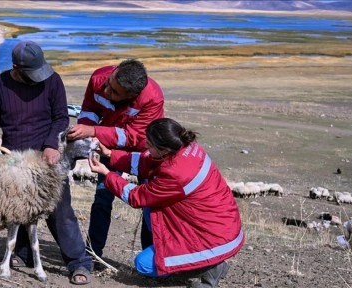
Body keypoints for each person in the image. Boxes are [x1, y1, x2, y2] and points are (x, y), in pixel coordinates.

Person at [0, 40, 92, 285]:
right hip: (13, 159)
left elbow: (61, 116)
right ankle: (23, 253)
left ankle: (78, 263)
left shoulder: (52, 80)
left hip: (45, 159)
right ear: (16, 68)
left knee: (60, 211)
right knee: (17, 209)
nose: (38, 78)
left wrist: (51, 144)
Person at [88, 118, 244, 288]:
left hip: (212, 237)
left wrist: (107, 173)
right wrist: (111, 155)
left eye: (149, 144)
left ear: (164, 150)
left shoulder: (176, 173)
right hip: (215, 223)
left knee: (144, 265)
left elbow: (136, 196)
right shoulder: (185, 147)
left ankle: (209, 268)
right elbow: (147, 161)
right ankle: (193, 261)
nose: (146, 147)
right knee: (151, 208)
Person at [66, 59, 165, 265]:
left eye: (114, 91)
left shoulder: (152, 98)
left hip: (144, 151)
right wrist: (85, 131)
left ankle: (153, 258)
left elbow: (135, 137)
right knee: (102, 197)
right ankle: (93, 254)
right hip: (105, 144)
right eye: (109, 82)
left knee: (150, 202)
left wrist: (94, 131)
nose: (106, 89)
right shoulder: (98, 78)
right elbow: (89, 109)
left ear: (131, 95)